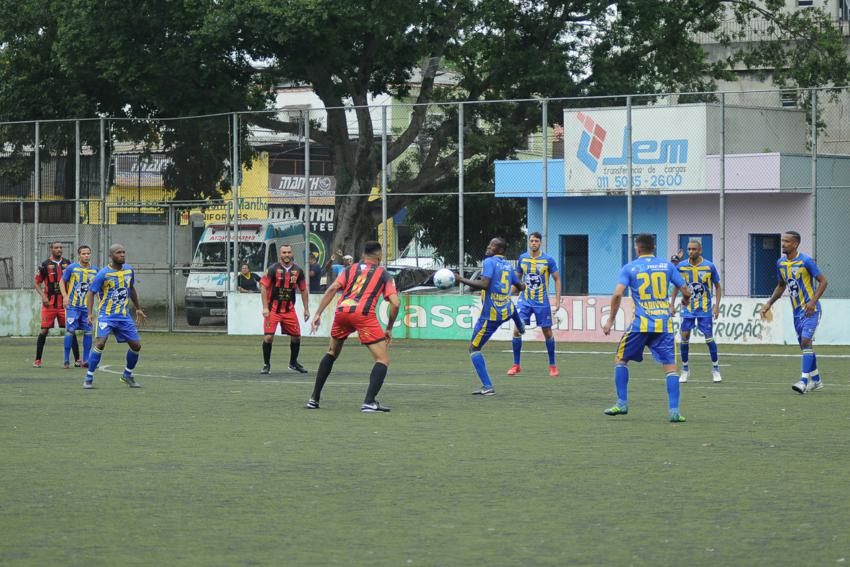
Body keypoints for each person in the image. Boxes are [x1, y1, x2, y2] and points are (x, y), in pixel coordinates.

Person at [602, 233, 692, 422]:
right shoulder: (667, 266)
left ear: (638, 248)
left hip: (640, 325)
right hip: (663, 325)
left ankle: (622, 403)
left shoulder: (630, 268)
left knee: (620, 359)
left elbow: (618, 295)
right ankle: (674, 411)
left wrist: (610, 319)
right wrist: (685, 300)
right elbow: (685, 291)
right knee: (670, 368)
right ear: (654, 248)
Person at [306, 241, 401, 412]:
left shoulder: (349, 269)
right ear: (379, 256)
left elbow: (332, 288)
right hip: (363, 315)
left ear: (363, 255)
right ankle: (369, 402)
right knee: (383, 359)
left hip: (342, 312)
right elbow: (395, 303)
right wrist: (389, 327)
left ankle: (314, 398)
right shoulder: (383, 274)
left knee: (332, 352)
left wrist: (318, 314)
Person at [759, 231, 828, 394]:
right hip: (796, 312)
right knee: (806, 346)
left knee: (805, 341)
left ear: (795, 244)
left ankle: (803, 381)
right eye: (783, 241)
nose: (783, 244)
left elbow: (823, 282)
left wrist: (813, 302)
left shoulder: (806, 261)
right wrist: (769, 303)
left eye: (787, 241)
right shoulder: (780, 263)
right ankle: (816, 381)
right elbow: (781, 285)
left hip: (811, 310)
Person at [456, 237, 526, 396]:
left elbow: (484, 284)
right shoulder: (508, 266)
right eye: (488, 244)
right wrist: (523, 285)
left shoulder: (489, 262)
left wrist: (460, 279)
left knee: (473, 348)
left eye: (492, 246)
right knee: (510, 305)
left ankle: (487, 386)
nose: (488, 247)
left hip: (490, 316)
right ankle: (519, 324)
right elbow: (519, 285)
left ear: (500, 250)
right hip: (505, 309)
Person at [83, 244, 147, 389]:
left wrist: (138, 308)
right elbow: (91, 292)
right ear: (111, 256)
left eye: (124, 252)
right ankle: (89, 377)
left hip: (124, 316)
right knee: (100, 343)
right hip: (106, 316)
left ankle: (127, 375)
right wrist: (89, 313)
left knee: (136, 346)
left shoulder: (129, 270)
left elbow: (131, 288)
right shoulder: (103, 274)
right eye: (119, 253)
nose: (122, 255)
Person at [509, 231, 562, 377]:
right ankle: (516, 365)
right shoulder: (523, 258)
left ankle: (552, 365)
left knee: (547, 332)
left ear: (540, 243)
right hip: (524, 300)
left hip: (541, 301)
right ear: (529, 242)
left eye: (536, 241)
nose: (533, 243)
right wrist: (508, 294)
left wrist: (558, 299)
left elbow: (557, 279)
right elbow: (517, 280)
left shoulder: (548, 260)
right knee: (516, 330)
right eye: (531, 241)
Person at [670, 240, 722, 383]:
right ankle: (685, 369)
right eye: (689, 249)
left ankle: (715, 369)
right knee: (684, 336)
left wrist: (716, 306)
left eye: (694, 249)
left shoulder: (709, 266)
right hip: (688, 308)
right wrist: (672, 304)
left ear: (700, 250)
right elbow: (676, 285)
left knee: (708, 338)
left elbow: (717, 287)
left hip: (704, 308)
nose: (691, 251)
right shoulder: (681, 266)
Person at [259, 244, 310, 374]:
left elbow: (303, 289)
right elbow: (263, 286)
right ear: (279, 254)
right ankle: (266, 364)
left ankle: (293, 363)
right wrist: (265, 307)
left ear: (291, 253)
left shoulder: (298, 270)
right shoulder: (272, 269)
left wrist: (306, 309)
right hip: (273, 309)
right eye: (284, 253)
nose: (286, 255)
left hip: (289, 310)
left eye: (288, 252)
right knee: (268, 337)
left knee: (296, 337)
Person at [33, 241, 72, 368]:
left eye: (61, 247)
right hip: (49, 303)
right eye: (56, 247)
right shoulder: (44, 265)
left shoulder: (68, 264)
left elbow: (73, 281)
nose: (59, 249)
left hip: (64, 303)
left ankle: (77, 359)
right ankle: (37, 360)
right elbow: (37, 283)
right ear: (51, 249)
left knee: (70, 329)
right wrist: (43, 296)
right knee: (44, 330)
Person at [60, 245, 98, 369]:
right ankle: (66, 360)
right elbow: (62, 281)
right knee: (70, 331)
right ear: (79, 255)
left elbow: (96, 287)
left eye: (88, 253)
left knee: (88, 331)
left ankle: (86, 360)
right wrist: (65, 296)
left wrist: (99, 298)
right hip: (73, 306)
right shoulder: (72, 268)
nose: (86, 256)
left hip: (87, 308)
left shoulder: (95, 270)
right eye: (84, 254)